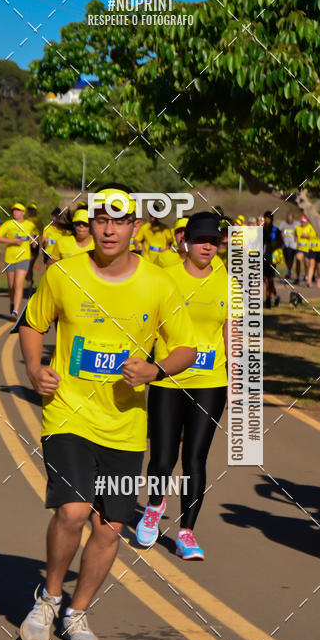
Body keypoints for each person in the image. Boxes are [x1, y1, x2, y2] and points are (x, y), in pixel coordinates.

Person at [17, 185, 196, 640]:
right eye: (101, 219)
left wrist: (155, 369)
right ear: (89, 226)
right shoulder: (64, 274)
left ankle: (77, 613)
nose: (110, 228)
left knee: (109, 526)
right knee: (74, 510)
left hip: (125, 425)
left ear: (136, 227)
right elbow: (34, 324)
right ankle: (49, 599)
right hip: (68, 415)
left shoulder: (159, 283)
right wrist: (36, 370)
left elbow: (186, 347)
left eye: (120, 220)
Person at [136, 212, 229, 560]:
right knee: (162, 458)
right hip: (167, 379)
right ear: (185, 241)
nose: (207, 246)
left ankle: (187, 532)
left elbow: (230, 331)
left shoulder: (227, 281)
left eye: (214, 240)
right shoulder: (165, 278)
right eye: (201, 239)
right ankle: (154, 506)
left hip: (210, 381)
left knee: (195, 459)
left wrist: (236, 381)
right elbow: (148, 324)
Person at [0, 202, 38, 320]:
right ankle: (12, 302)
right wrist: (12, 241)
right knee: (11, 286)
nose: (15, 212)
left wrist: (34, 242)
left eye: (18, 210)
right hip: (10, 257)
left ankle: (15, 311)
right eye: (14, 210)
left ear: (23, 212)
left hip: (24, 257)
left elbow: (33, 235)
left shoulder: (30, 224)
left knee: (19, 284)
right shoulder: (8, 224)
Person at [262, 211, 282, 308]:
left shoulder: (276, 230)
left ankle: (268, 300)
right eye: (265, 218)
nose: (266, 220)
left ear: (271, 219)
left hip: (272, 259)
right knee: (266, 280)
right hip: (263, 258)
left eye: (268, 218)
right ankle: (276, 297)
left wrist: (272, 246)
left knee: (269, 280)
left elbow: (280, 243)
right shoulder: (261, 230)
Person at [25, 203, 41, 295]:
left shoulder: (38, 220)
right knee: (26, 265)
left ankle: (29, 286)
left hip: (35, 243)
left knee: (30, 265)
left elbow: (41, 233)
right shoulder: (26, 220)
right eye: (30, 209)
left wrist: (41, 246)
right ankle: (29, 281)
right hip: (26, 243)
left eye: (33, 209)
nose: (31, 211)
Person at [279, 212, 298, 280]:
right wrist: (281, 234)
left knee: (291, 258)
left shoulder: (297, 224)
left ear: (293, 218)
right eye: (288, 218)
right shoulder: (283, 223)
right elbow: (279, 231)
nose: (289, 219)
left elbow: (299, 231)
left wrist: (297, 237)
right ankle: (289, 269)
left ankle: (290, 271)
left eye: (291, 218)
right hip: (285, 244)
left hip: (293, 245)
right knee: (287, 258)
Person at [294, 213, 311, 285]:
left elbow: (313, 235)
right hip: (300, 248)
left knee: (307, 263)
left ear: (306, 221)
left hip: (307, 248)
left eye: (304, 221)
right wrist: (295, 239)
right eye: (301, 221)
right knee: (298, 261)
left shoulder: (310, 227)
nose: (302, 223)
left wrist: (307, 236)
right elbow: (295, 234)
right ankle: (297, 277)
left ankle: (306, 276)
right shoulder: (297, 227)